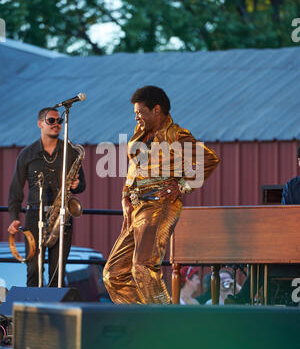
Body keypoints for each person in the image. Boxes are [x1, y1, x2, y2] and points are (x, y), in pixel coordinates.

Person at [103, 85, 220, 304]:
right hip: (137, 208)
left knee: (143, 267)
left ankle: (165, 324)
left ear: (157, 109)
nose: (137, 117)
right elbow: (132, 169)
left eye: (141, 112)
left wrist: (183, 185)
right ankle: (144, 323)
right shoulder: (140, 135)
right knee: (114, 274)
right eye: (135, 114)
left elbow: (209, 159)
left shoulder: (175, 134)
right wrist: (125, 196)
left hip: (159, 203)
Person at [7, 107, 86, 287]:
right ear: (40, 124)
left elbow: (82, 185)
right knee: (33, 270)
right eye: (51, 120)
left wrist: (76, 185)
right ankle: (34, 311)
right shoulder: (26, 154)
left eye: (59, 121)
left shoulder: (71, 151)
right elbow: (15, 191)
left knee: (57, 272)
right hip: (35, 216)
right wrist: (13, 218)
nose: (56, 124)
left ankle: (54, 312)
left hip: (62, 217)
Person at [225, 146, 300, 305]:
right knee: (263, 256)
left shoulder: (292, 186)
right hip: (293, 244)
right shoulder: (293, 186)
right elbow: (285, 217)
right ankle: (244, 298)